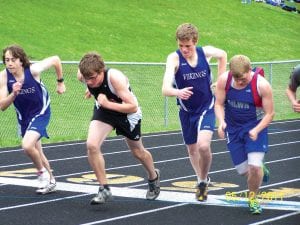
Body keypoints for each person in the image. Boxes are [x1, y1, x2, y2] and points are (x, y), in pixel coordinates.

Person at [77, 52, 160, 204]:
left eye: (93, 78)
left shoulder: (114, 78)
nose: (90, 82)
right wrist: (92, 90)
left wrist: (107, 103)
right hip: (104, 112)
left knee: (138, 152)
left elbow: (133, 106)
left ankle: (153, 177)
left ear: (102, 70)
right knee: (92, 145)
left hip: (127, 115)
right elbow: (88, 76)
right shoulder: (84, 75)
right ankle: (104, 188)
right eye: (86, 79)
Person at [162, 23, 227, 201]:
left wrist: (221, 80)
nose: (184, 50)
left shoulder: (204, 52)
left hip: (206, 107)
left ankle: (202, 181)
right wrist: (177, 92)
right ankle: (201, 179)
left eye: (188, 46)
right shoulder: (174, 59)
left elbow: (222, 55)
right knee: (192, 149)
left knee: (203, 146)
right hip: (186, 111)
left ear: (195, 42)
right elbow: (165, 89)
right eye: (180, 45)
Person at [0, 44, 66, 194]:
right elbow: (2, 106)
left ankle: (41, 174)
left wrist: (60, 81)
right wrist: (14, 94)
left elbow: (56, 59)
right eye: (6, 60)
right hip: (24, 116)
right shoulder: (3, 77)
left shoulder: (33, 70)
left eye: (13, 59)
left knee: (27, 145)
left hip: (41, 112)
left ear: (21, 61)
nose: (9, 63)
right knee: (37, 150)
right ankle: (51, 180)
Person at [214, 55, 274, 214]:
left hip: (255, 127)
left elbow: (270, 113)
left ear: (250, 70)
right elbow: (218, 104)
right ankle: (261, 168)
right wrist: (221, 122)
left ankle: (253, 199)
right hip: (232, 129)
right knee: (244, 170)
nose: (240, 82)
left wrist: (256, 129)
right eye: (236, 79)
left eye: (243, 78)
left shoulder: (262, 85)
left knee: (254, 167)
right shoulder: (223, 81)